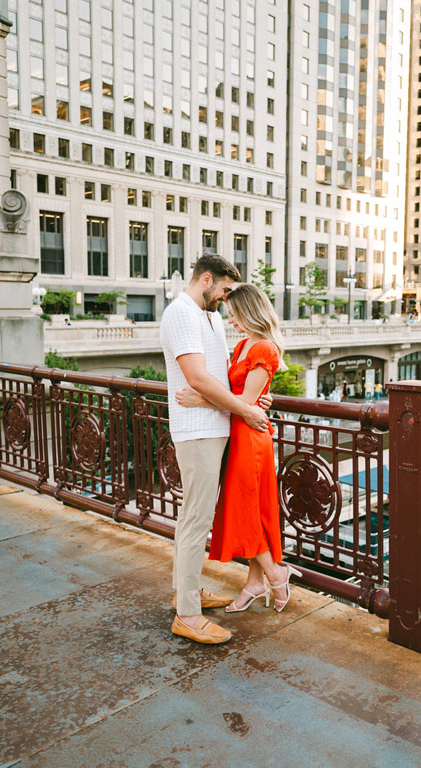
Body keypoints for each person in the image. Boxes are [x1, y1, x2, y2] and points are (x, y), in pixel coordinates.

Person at [161, 254, 269, 645]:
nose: (225, 299)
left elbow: (218, 377)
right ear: (206, 279)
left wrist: (249, 401)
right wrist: (244, 408)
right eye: (223, 291)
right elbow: (197, 377)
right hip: (197, 432)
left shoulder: (210, 316)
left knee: (195, 517)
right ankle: (187, 614)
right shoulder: (181, 313)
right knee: (196, 519)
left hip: (216, 426)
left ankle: (186, 592)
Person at [177, 283, 300, 615]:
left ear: (249, 311)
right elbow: (244, 393)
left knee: (245, 510)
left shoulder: (265, 349)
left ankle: (276, 573)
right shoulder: (245, 344)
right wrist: (259, 397)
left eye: (234, 314)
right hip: (238, 433)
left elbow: (245, 402)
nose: (230, 320)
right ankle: (255, 583)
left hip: (251, 438)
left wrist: (198, 398)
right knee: (251, 510)